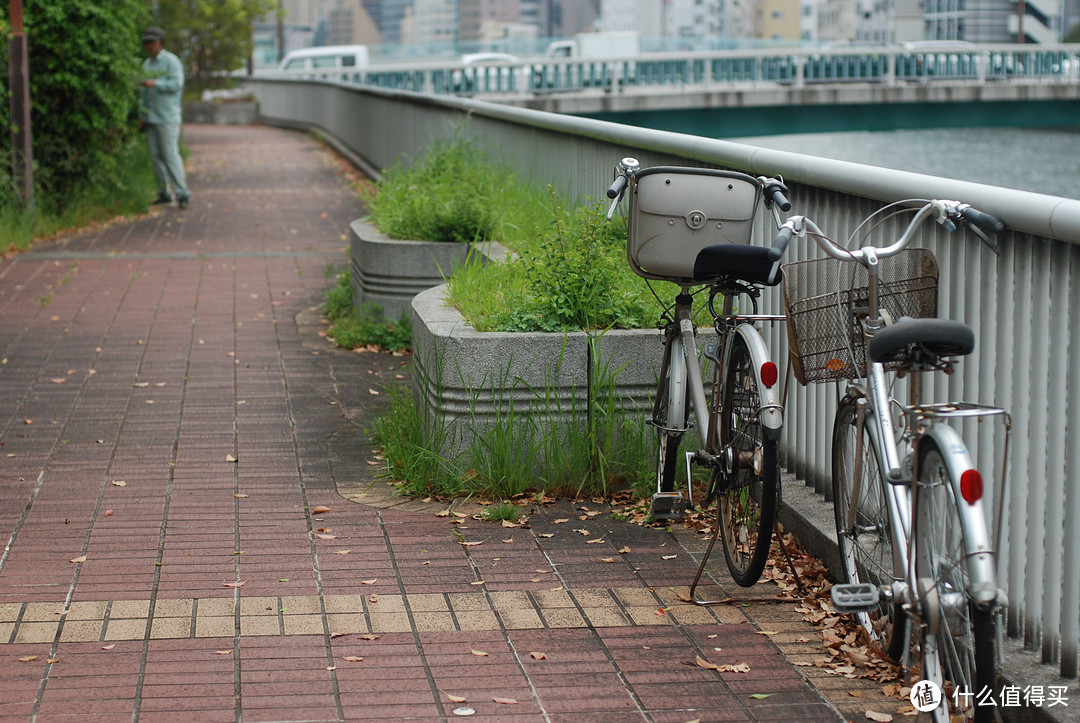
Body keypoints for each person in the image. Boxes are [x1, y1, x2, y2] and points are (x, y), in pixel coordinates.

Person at [139, 26, 190, 209]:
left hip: (168, 117)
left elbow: (177, 84)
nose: (150, 45)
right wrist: (142, 115)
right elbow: (143, 93)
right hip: (151, 117)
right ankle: (164, 192)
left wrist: (157, 83)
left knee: (170, 155)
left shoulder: (171, 61)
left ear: (161, 43)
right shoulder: (147, 64)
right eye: (147, 42)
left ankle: (182, 193)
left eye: (153, 42)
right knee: (156, 157)